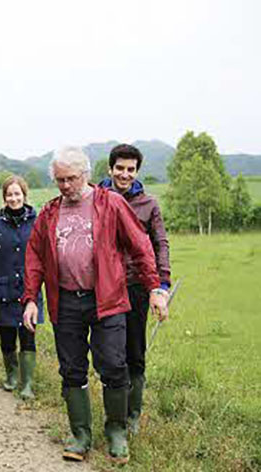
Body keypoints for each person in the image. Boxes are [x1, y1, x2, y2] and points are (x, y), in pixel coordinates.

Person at [21, 146, 168, 464]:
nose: (65, 186)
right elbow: (34, 257)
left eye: (70, 179)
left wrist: (155, 287)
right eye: (59, 180)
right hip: (66, 302)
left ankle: (116, 431)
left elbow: (141, 246)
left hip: (107, 300)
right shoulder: (48, 213)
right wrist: (31, 298)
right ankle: (80, 435)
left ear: (85, 175)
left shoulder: (110, 203)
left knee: (114, 367)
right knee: (72, 370)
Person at [100, 144, 171, 434]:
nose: (125, 174)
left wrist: (162, 285)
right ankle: (114, 409)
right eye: (120, 168)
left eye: (131, 169)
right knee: (108, 353)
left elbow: (160, 244)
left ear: (137, 171)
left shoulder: (148, 204)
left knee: (135, 352)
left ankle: (132, 414)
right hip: (103, 287)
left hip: (136, 287)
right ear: (110, 169)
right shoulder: (98, 198)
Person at [0, 175, 42, 400]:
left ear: (24, 195)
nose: (14, 198)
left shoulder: (37, 222)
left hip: (28, 291)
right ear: (4, 198)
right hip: (2, 290)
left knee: (27, 337)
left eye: (17, 194)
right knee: (6, 337)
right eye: (9, 195)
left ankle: (28, 384)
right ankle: (12, 377)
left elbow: (45, 256)